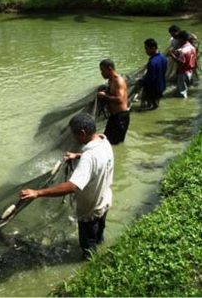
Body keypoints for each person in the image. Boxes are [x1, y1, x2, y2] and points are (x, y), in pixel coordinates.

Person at [20, 113, 114, 259]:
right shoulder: (104, 141)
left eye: (74, 134)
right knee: (98, 234)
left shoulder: (89, 158)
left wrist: (38, 193)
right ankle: (101, 247)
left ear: (82, 133)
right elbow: (97, 159)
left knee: (88, 247)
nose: (73, 138)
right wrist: (77, 156)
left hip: (90, 212)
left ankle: (91, 266)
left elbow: (72, 186)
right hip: (105, 201)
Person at [97, 59, 129, 145]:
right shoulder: (110, 80)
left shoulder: (118, 81)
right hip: (113, 117)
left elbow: (120, 99)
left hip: (121, 118)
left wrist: (104, 96)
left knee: (116, 143)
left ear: (110, 69)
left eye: (103, 70)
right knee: (107, 140)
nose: (101, 73)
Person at [168, 30, 197, 99]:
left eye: (178, 39)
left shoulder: (183, 50)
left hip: (183, 73)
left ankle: (183, 105)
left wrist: (172, 55)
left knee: (182, 94)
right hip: (190, 72)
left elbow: (181, 63)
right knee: (183, 90)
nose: (178, 41)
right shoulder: (192, 48)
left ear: (181, 39)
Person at [142, 38, 167, 110]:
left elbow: (150, 79)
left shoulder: (152, 62)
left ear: (153, 48)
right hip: (162, 86)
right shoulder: (163, 57)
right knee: (156, 104)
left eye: (147, 49)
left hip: (154, 89)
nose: (146, 51)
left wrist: (143, 81)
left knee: (152, 106)